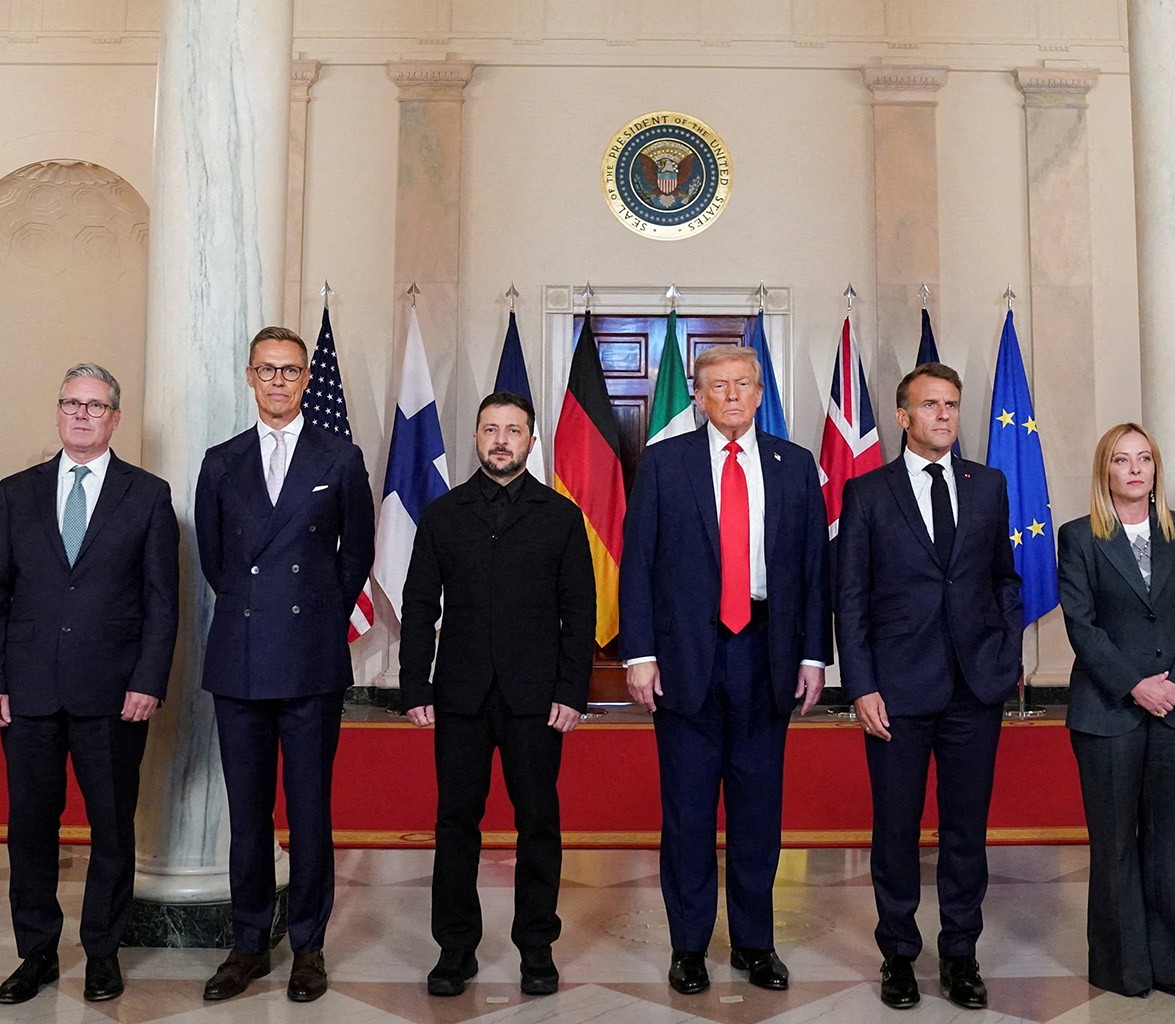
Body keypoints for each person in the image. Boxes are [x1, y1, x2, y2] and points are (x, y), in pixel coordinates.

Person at [619, 344, 829, 995]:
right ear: (699, 397)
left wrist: (813, 655)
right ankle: (688, 946)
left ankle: (754, 944)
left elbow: (813, 569)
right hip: (686, 657)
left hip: (767, 653)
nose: (732, 396)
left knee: (757, 812)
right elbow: (638, 562)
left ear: (760, 394)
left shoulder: (796, 465)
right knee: (687, 813)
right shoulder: (663, 463)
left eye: (742, 384)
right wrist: (639, 654)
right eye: (718, 386)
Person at [0, 364, 178, 1004]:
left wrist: (148, 679)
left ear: (115, 418)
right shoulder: (16, 492)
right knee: (30, 827)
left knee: (112, 827)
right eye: (72, 403)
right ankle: (35, 953)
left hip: (114, 692)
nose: (82, 415)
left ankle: (101, 952)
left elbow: (161, 600)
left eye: (96, 406)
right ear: (58, 412)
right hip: (27, 689)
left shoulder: (148, 494)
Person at [194, 326, 376, 1003]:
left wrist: (316, 616)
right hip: (239, 656)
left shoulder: (340, 457)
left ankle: (307, 946)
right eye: (266, 369)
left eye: (290, 370)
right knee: (247, 815)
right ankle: (247, 943)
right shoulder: (221, 461)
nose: (278, 381)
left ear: (306, 379)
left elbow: (356, 554)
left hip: (309, 657)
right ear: (249, 376)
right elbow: (216, 561)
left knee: (309, 812)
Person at [835, 363, 1024, 1010]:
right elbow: (850, 597)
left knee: (965, 831)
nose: (943, 415)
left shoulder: (987, 484)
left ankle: (960, 955)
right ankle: (898, 954)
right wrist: (860, 685)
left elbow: (1004, 578)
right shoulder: (867, 493)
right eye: (930, 405)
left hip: (975, 686)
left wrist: (1004, 651)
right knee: (895, 831)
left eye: (951, 404)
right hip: (895, 690)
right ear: (902, 416)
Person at [399, 391, 596, 998]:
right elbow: (418, 605)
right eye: (491, 429)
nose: (501, 440)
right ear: (476, 438)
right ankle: (455, 949)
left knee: (538, 822)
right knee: (456, 822)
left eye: (513, 430)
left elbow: (579, 612)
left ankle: (537, 947)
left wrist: (572, 690)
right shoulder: (443, 514)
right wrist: (415, 683)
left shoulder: (560, 516)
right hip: (459, 694)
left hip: (537, 697)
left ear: (531, 441)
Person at [1057, 423, 1175, 998]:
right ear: (1105, 470)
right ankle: (1124, 969)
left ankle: (1173, 968)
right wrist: (1135, 686)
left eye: (1144, 459)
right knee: (1115, 842)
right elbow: (1082, 625)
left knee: (1173, 842)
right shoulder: (1079, 537)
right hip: (1107, 710)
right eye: (1122, 460)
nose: (1134, 470)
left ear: (1156, 469)